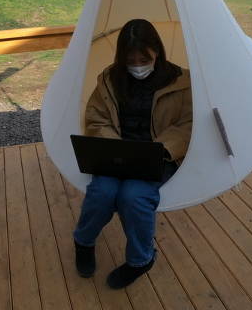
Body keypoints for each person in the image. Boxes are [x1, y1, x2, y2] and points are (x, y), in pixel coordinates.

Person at [73, 18, 193, 289]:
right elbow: (95, 117)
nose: (137, 65)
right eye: (131, 59)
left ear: (157, 52)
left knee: (134, 196)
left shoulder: (182, 82)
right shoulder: (109, 79)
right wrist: (114, 146)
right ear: (120, 57)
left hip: (158, 154)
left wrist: (162, 149)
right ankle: (83, 242)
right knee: (102, 192)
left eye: (144, 58)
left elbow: (189, 124)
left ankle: (141, 260)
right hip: (116, 152)